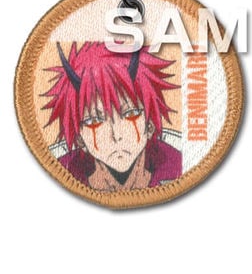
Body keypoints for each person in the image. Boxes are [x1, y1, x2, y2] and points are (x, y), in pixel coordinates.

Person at [43, 42, 182, 192]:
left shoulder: (179, 166)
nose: (116, 135)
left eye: (130, 114)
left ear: (149, 125)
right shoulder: (57, 175)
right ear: (80, 139)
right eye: (95, 121)